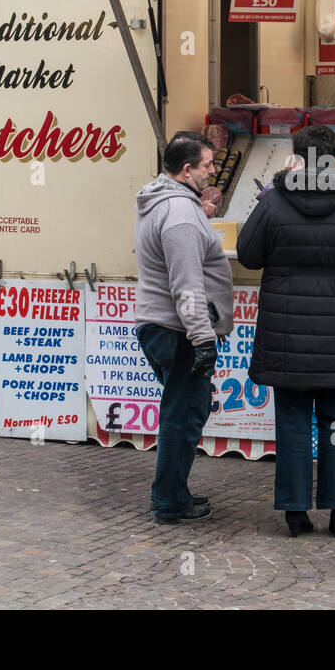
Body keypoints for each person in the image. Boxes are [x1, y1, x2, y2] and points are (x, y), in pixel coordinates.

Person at [236, 126, 335, 537]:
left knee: (292, 422)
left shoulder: (274, 202)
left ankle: (295, 513)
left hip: (285, 338)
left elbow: (248, 256)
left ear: (298, 159)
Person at [134, 132, 234, 524]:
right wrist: (202, 337)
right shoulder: (179, 213)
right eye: (208, 165)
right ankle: (169, 501)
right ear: (187, 169)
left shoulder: (163, 201)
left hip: (167, 326)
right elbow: (187, 283)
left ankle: (174, 492)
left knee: (184, 409)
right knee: (184, 413)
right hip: (178, 330)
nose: (212, 171)